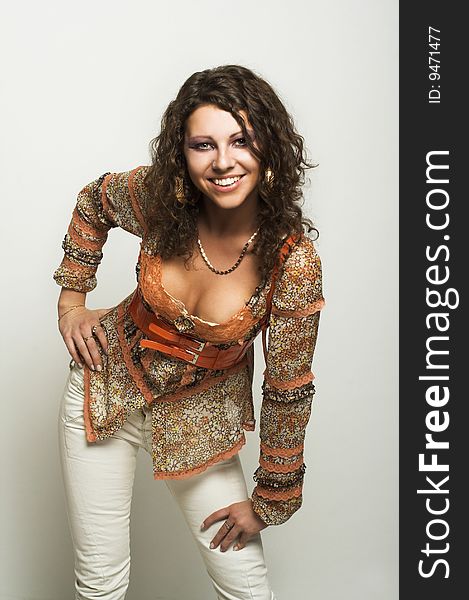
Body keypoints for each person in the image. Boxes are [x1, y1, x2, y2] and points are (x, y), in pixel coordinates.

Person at [54, 64, 325, 600]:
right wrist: (71, 302)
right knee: (100, 584)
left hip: (200, 427)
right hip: (102, 392)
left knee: (246, 588)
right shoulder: (161, 199)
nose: (224, 162)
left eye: (241, 140)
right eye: (204, 144)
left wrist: (272, 498)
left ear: (269, 147)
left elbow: (287, 389)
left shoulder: (293, 264)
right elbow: (94, 201)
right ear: (183, 153)